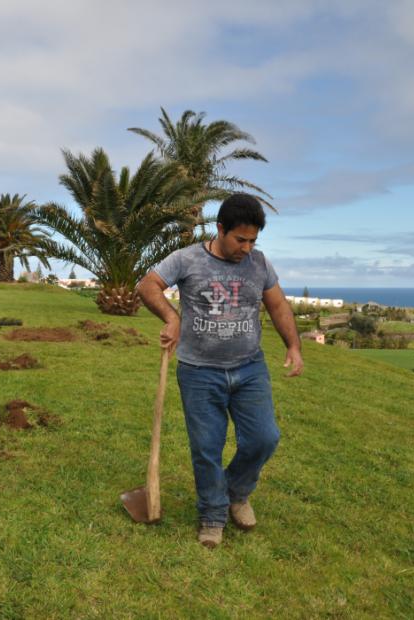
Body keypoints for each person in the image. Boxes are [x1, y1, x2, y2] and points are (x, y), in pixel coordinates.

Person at [135, 193, 304, 549]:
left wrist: (293, 346)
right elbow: (147, 285)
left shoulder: (259, 264)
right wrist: (172, 318)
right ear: (221, 229)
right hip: (199, 372)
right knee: (207, 447)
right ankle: (213, 515)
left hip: (249, 368)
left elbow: (277, 305)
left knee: (264, 438)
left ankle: (236, 493)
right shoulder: (187, 259)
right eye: (240, 239)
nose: (247, 248)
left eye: (253, 240)